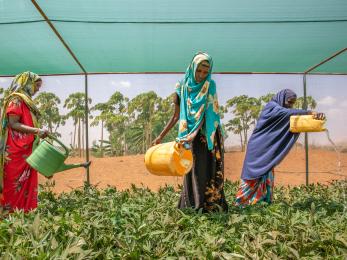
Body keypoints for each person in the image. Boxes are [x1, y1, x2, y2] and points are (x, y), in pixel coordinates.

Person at [153, 52, 228, 212]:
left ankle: (211, 207)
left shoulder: (210, 85)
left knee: (210, 169)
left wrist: (193, 134)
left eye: (205, 72)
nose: (201, 75)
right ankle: (192, 206)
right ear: (193, 68)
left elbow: (207, 112)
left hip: (208, 136)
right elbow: (176, 116)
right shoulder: (182, 87)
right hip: (189, 137)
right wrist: (161, 136)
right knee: (192, 170)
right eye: (199, 71)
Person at [235, 89, 325, 206]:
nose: (290, 105)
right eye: (289, 102)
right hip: (257, 149)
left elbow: (292, 121)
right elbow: (287, 113)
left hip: (267, 150)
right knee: (251, 177)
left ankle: (261, 204)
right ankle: (241, 204)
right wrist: (309, 112)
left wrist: (314, 119)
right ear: (281, 98)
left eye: (292, 103)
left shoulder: (283, 111)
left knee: (267, 173)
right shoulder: (272, 107)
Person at [0, 71, 50, 212]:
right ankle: (10, 216)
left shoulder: (26, 101)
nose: (38, 89)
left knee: (26, 184)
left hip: (27, 149)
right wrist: (37, 131)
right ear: (27, 83)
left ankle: (25, 215)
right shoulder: (16, 100)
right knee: (13, 183)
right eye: (36, 86)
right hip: (16, 151)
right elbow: (13, 123)